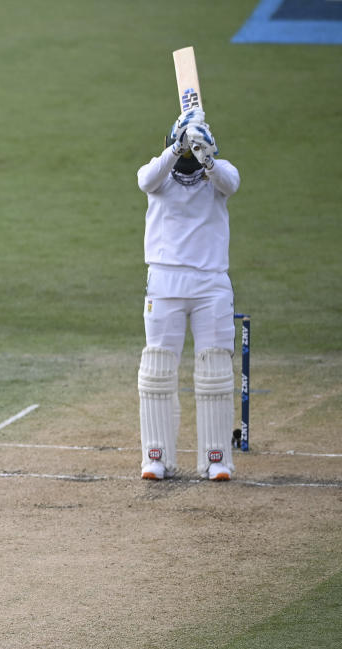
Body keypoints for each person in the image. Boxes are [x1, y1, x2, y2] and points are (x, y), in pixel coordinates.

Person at [136, 107, 241, 482]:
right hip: (165, 282)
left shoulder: (218, 174)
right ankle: (155, 457)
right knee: (157, 369)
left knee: (214, 369)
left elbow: (231, 183)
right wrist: (175, 146)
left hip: (210, 284)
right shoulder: (159, 174)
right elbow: (146, 180)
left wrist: (207, 158)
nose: (187, 160)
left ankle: (216, 460)